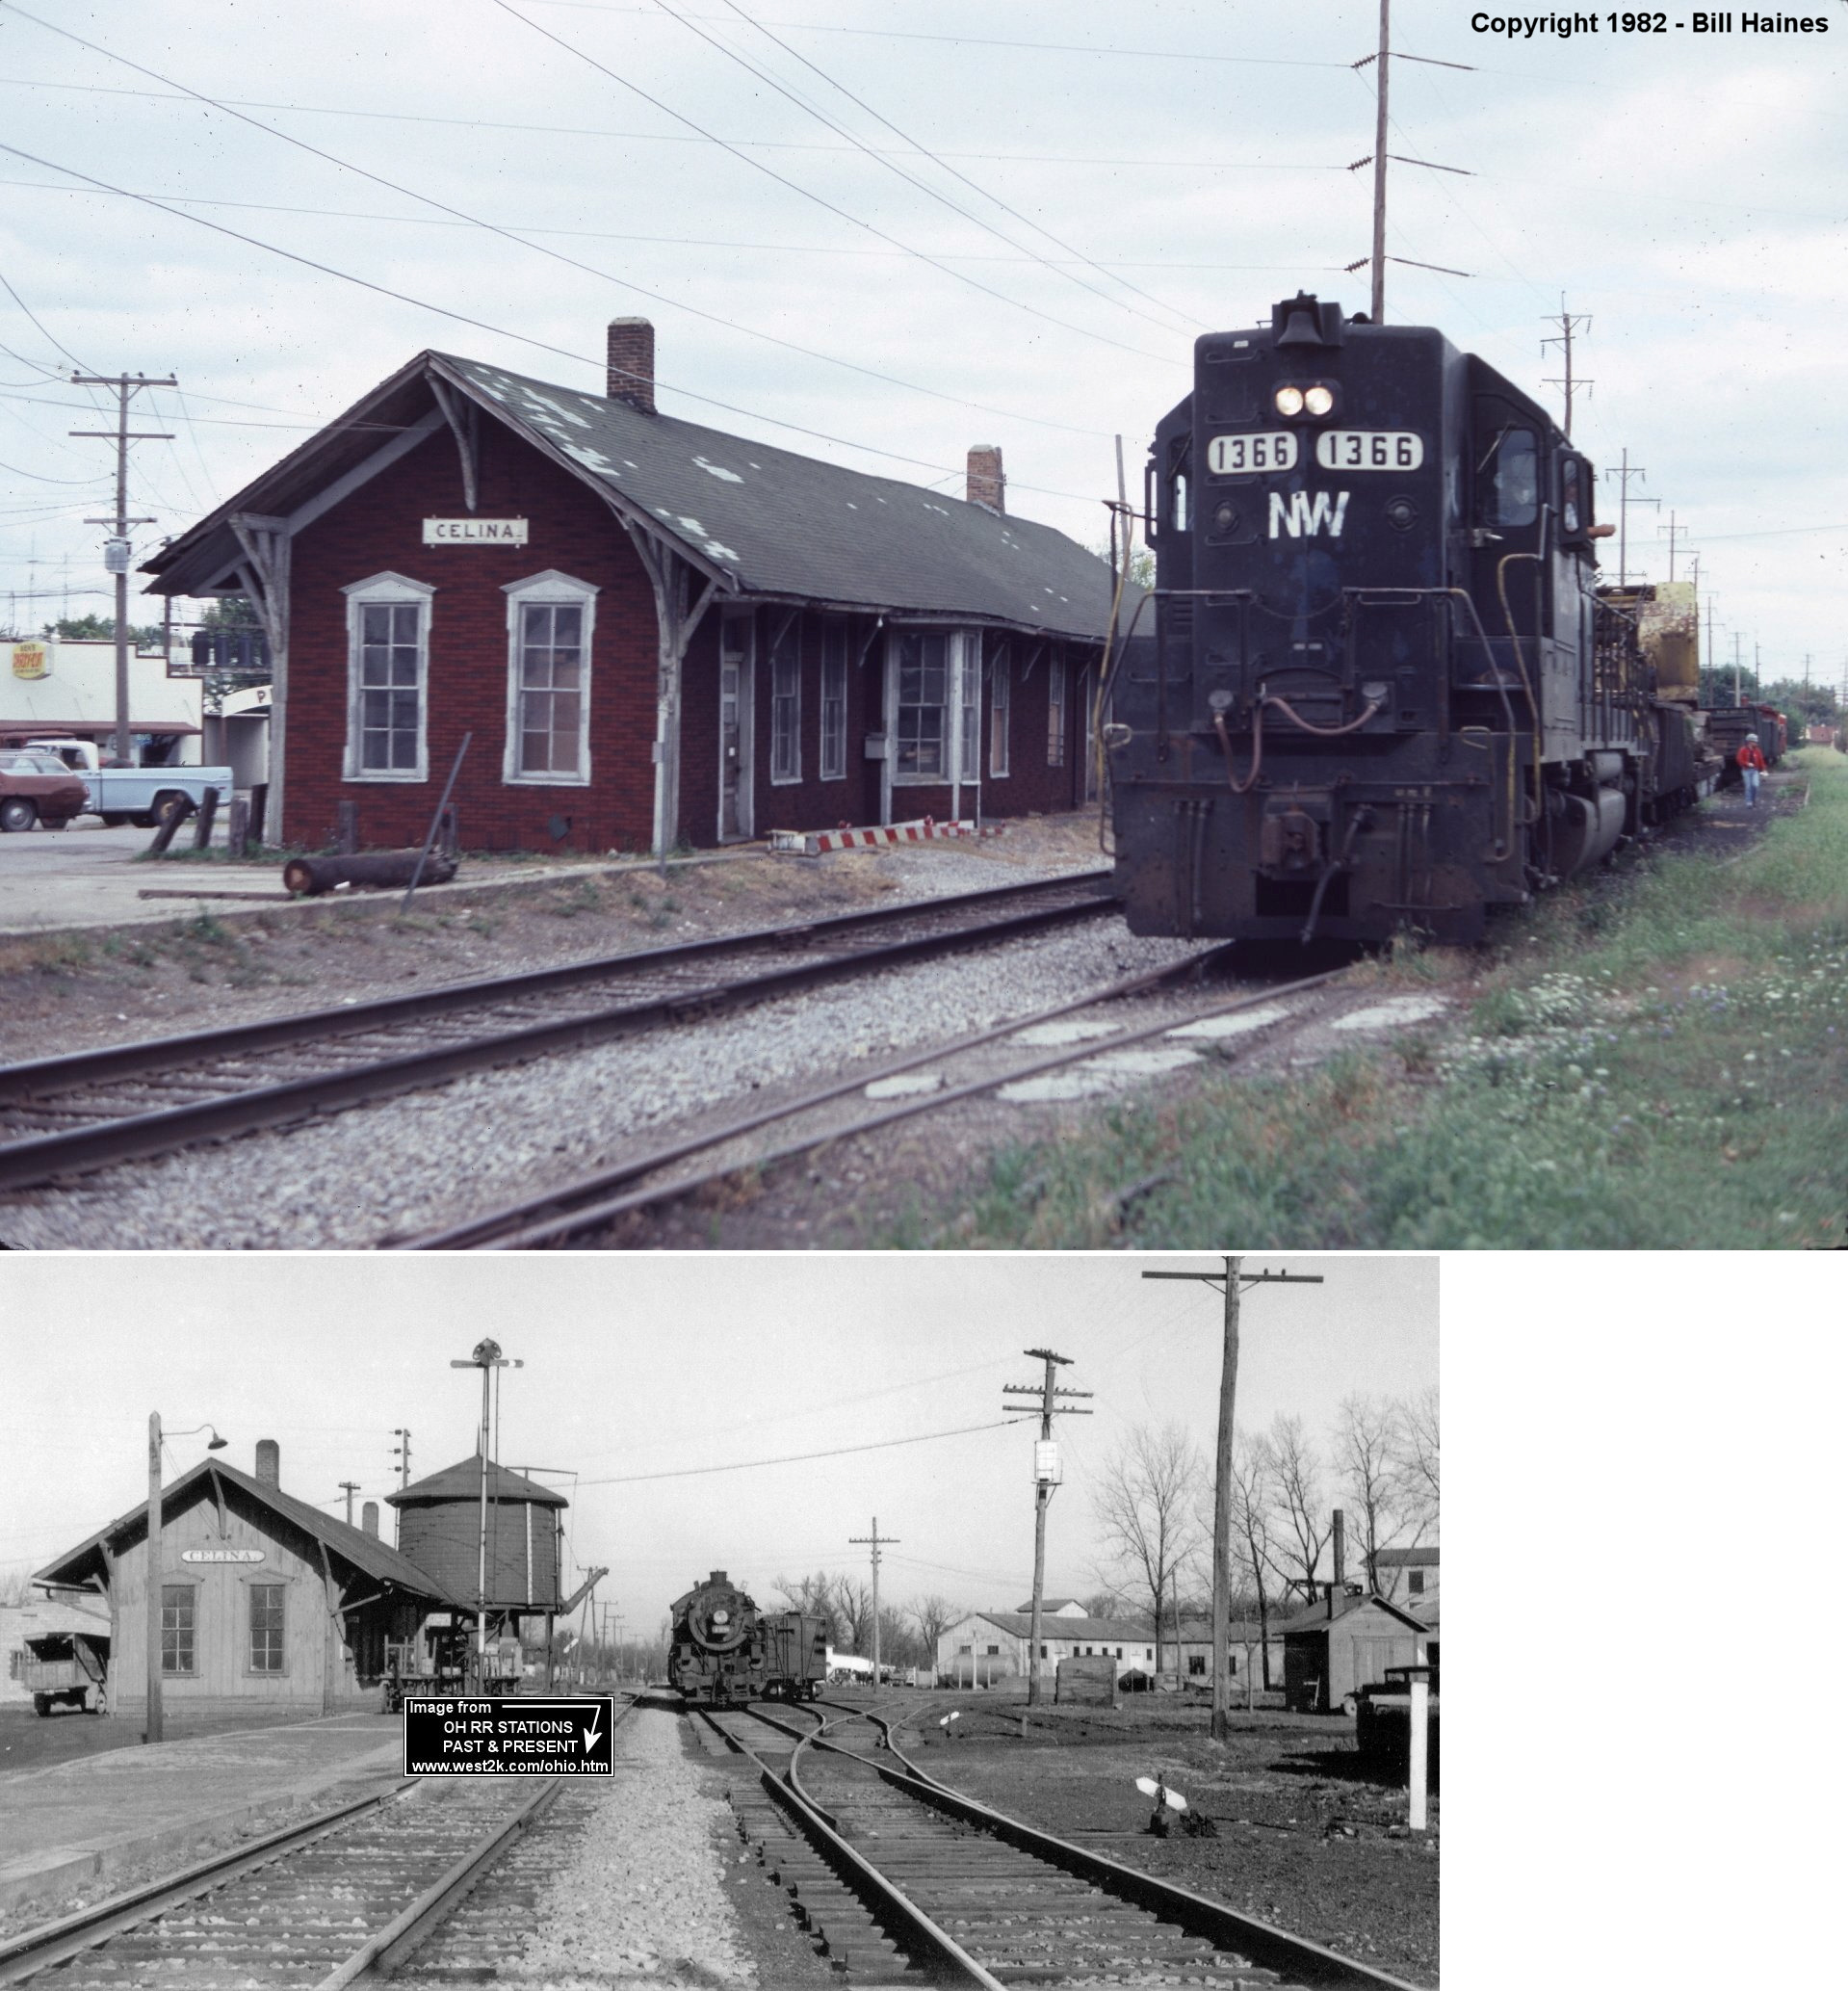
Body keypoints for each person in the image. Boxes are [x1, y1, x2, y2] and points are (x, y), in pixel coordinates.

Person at [1737, 732, 1767, 806]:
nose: (1756, 743)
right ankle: (1749, 802)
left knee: (1755, 785)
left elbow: (1761, 760)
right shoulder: (1743, 750)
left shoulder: (1757, 750)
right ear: (1750, 742)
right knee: (1748, 786)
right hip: (1746, 770)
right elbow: (1739, 759)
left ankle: (1753, 800)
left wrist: (1763, 769)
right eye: (1754, 741)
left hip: (1755, 770)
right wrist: (1747, 763)